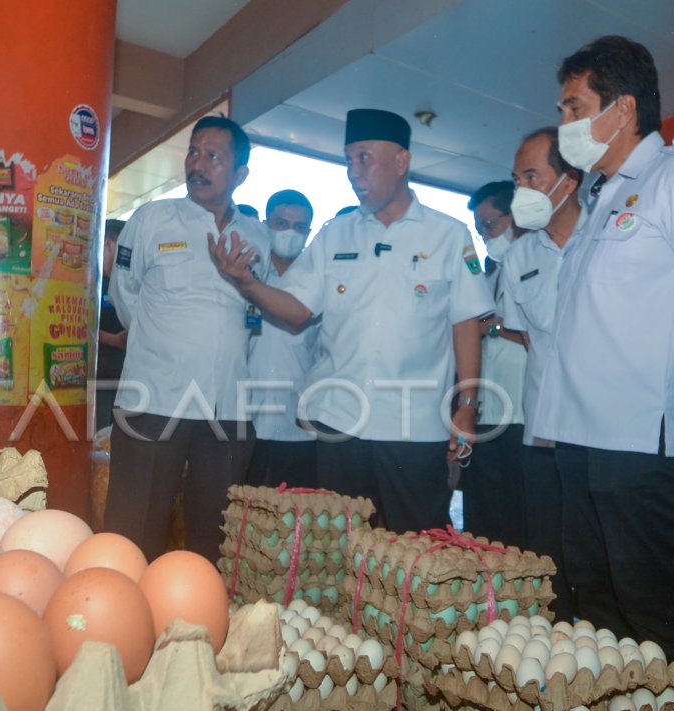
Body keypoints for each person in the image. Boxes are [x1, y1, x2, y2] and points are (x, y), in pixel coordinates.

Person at [531, 36, 674, 695]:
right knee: (593, 596)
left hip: (641, 442)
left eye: (575, 107)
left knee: (647, 602)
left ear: (622, 108)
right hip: (580, 436)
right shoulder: (602, 196)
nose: (565, 123)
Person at [211, 108, 494, 534]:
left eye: (364, 158)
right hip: (339, 423)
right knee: (337, 549)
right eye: (348, 160)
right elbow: (297, 308)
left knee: (415, 546)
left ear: (402, 161)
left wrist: (468, 407)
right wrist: (246, 283)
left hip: (413, 427)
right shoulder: (334, 234)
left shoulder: (447, 235)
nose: (353, 173)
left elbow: (465, 324)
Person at [104, 115, 269, 562]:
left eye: (213, 156)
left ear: (240, 175)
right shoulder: (153, 219)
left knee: (214, 535)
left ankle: (200, 621)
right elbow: (125, 296)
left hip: (228, 409)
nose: (198, 163)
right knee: (133, 528)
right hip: (154, 399)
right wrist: (167, 345)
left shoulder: (257, 236)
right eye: (193, 152)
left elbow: (257, 313)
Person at [497, 126, 584, 622]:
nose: (522, 191)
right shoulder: (519, 257)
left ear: (568, 179)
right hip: (541, 433)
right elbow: (528, 335)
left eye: (533, 176)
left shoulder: (604, 236)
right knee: (546, 560)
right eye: (516, 180)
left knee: (599, 561)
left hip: (599, 435)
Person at [462, 181, 528, 548]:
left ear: (516, 215)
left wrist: (495, 326)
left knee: (517, 520)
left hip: (522, 413)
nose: (485, 235)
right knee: (483, 522)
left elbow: (547, 334)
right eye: (479, 228)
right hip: (487, 411)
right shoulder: (491, 273)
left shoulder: (542, 262)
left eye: (490, 224)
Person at [245, 189, 320, 490]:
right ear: (265, 224)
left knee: (294, 518)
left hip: (299, 426)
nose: (290, 232)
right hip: (246, 419)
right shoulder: (246, 274)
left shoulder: (317, 281)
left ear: (309, 232)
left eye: (300, 227)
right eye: (281, 223)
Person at [95, 218, 127, 433]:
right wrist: (114, 340)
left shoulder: (126, 282)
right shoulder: (91, 280)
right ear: (108, 244)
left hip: (125, 379)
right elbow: (77, 325)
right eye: (124, 247)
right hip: (97, 380)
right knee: (97, 434)